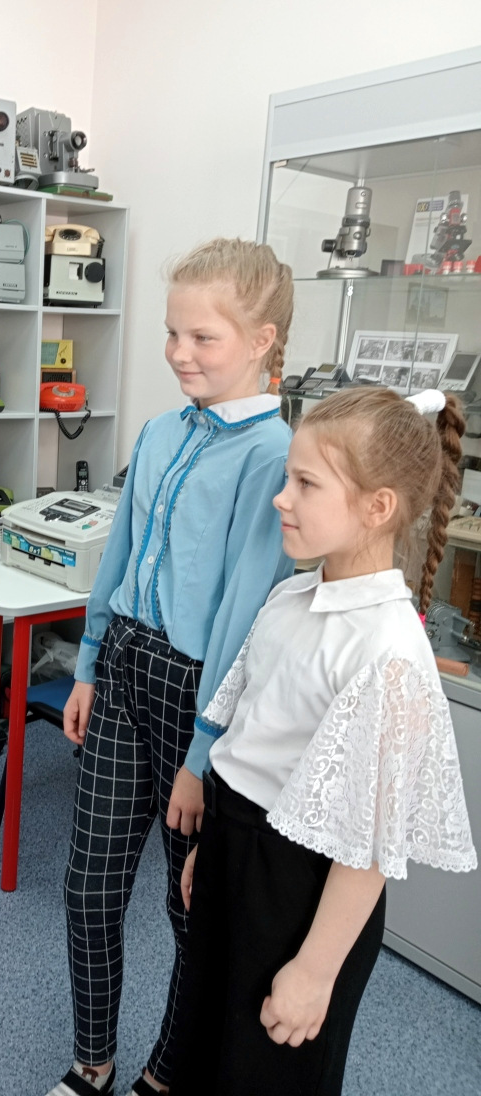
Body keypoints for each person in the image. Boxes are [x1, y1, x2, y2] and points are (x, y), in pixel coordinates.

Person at [170, 386, 477, 1096]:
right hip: (236, 851)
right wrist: (214, 852)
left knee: (265, 1070)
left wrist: (314, 970)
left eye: (305, 484)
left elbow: (366, 846)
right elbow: (248, 744)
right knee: (206, 1044)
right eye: (288, 478)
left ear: (378, 507)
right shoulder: (292, 596)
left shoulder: (387, 651)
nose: (282, 498)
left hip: (301, 893)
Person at [46, 239, 296, 1096]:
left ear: (261, 340)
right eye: (171, 333)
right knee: (88, 887)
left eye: (202, 338)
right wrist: (87, 663)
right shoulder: (160, 432)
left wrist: (200, 756)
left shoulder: (273, 457)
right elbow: (119, 554)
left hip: (199, 691)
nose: (179, 353)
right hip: (123, 668)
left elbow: (242, 618)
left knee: (189, 906)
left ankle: (165, 1072)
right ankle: (92, 1061)